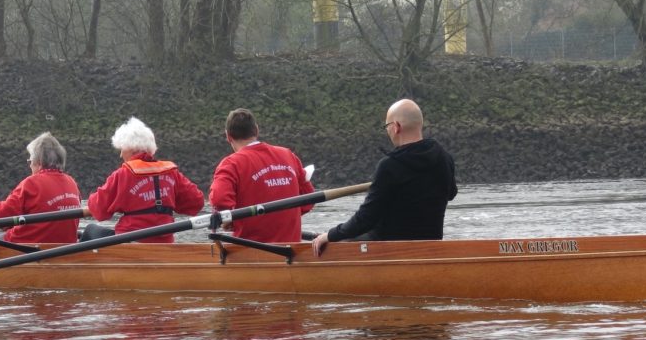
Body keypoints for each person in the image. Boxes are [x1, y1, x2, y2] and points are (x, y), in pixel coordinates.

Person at [312, 99, 457, 256]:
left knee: (338, 245)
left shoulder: (389, 166)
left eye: (387, 127)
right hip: (431, 245)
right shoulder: (444, 158)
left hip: (390, 249)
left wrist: (330, 235)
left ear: (396, 127)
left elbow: (365, 219)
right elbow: (451, 193)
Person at [85, 117, 205, 243]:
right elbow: (197, 202)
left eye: (122, 149)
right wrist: (167, 203)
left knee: (90, 230)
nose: (120, 155)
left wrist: (121, 203)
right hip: (165, 244)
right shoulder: (171, 173)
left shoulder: (123, 174)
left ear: (132, 149)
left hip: (130, 244)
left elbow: (98, 209)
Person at [208, 108, 315, 243]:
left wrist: (229, 221)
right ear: (256, 130)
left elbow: (219, 199)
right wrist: (283, 218)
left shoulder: (230, 164)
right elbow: (308, 198)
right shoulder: (288, 155)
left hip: (251, 252)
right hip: (291, 250)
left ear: (228, 136)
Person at [0, 132, 81, 244]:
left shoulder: (31, 184)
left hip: (28, 247)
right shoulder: (72, 183)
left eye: (30, 161)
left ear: (38, 162)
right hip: (65, 247)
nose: (29, 165)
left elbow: (0, 215)